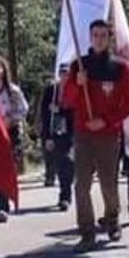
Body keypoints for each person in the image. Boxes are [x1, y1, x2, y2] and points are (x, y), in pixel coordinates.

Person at [62, 19, 129, 253]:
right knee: (81, 186)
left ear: (109, 38)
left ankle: (112, 219)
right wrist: (77, 84)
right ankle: (87, 233)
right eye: (95, 35)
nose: (98, 39)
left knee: (108, 184)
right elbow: (66, 101)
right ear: (90, 37)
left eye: (103, 35)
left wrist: (106, 120)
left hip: (108, 135)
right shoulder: (79, 66)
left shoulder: (120, 68)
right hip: (83, 135)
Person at [0, 56, 29, 223]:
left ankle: (4, 202)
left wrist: (11, 119)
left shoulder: (12, 91)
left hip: (10, 132)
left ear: (4, 71)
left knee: (7, 166)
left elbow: (23, 109)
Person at [39, 63, 75, 212]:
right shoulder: (51, 90)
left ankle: (67, 193)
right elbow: (45, 114)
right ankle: (64, 195)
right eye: (62, 73)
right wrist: (47, 137)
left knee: (69, 163)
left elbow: (75, 111)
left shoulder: (75, 89)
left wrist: (60, 109)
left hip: (71, 132)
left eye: (67, 73)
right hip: (55, 132)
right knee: (61, 163)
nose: (64, 76)